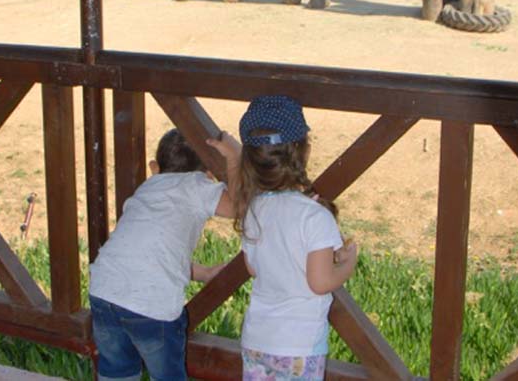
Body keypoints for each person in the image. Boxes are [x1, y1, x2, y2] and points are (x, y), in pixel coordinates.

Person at [215, 95, 358, 381]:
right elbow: (320, 282)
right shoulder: (315, 217)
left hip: (257, 339)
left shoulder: (254, 210)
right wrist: (348, 263)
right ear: (303, 152)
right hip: (299, 346)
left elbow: (254, 267)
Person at [88, 128, 240, 381]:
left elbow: (149, 252)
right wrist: (235, 158)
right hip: (152, 304)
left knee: (117, 369)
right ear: (209, 174)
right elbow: (239, 206)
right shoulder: (199, 185)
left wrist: (201, 272)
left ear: (154, 167)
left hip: (104, 289)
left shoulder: (147, 188)